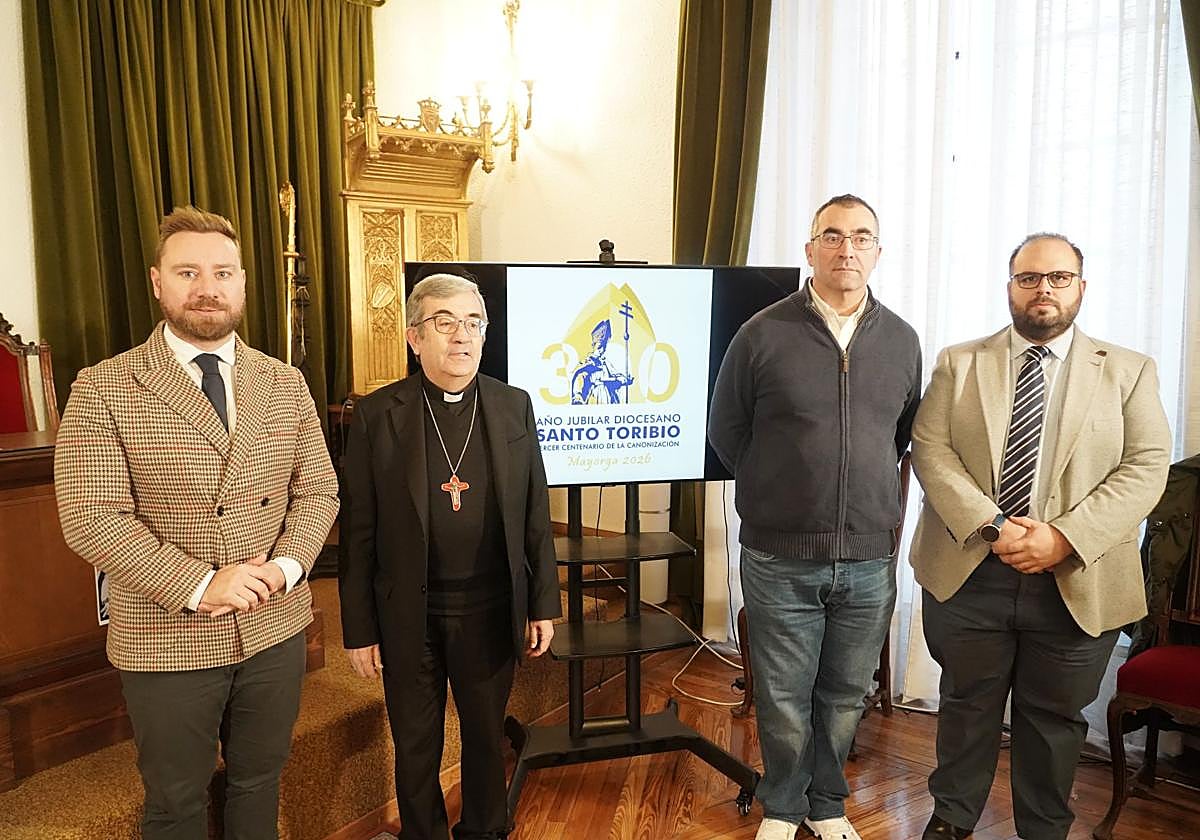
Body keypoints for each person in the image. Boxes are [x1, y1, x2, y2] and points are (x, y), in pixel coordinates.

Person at [54, 206, 340, 839]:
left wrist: (285, 567)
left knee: (259, 782)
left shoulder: (284, 382)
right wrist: (201, 584)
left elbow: (318, 489)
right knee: (176, 802)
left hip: (273, 624)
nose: (207, 288)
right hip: (167, 634)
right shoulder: (104, 388)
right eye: (188, 272)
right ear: (158, 282)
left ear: (243, 284)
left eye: (222, 273)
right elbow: (90, 516)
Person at [909, 232, 1172, 840]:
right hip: (970, 570)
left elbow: (1146, 467)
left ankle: (1044, 829)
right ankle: (951, 819)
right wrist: (994, 526)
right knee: (966, 704)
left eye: (1058, 277)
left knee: (1054, 719)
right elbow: (931, 449)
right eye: (1028, 278)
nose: (1043, 289)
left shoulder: (1129, 370)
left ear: (1081, 286)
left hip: (1077, 577)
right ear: (1010, 287)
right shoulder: (959, 361)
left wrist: (1063, 538)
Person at [709, 195, 922, 840]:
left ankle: (826, 805)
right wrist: (780, 487)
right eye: (832, 235)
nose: (846, 248)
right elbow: (727, 430)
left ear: (878, 253)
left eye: (861, 237)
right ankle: (782, 806)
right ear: (810, 250)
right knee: (782, 695)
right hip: (779, 555)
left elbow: (901, 438)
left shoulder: (902, 340)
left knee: (844, 696)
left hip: (868, 557)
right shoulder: (761, 333)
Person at [338, 272, 561, 840]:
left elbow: (535, 512)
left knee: (485, 738)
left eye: (473, 323)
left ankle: (486, 830)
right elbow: (358, 530)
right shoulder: (377, 415)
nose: (462, 336)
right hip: (408, 612)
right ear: (415, 337)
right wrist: (359, 629)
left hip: (489, 608)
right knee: (416, 745)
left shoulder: (512, 406)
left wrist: (543, 602)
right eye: (445, 323)